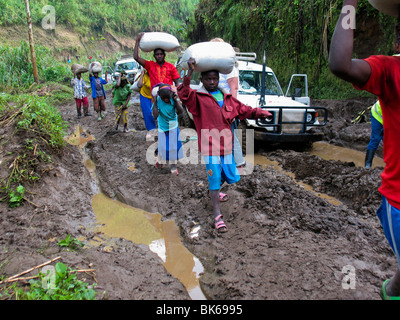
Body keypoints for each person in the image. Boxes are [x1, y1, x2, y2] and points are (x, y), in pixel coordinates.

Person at [329, 0, 400, 300]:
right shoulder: (390, 70)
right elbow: (341, 64)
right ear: (398, 40)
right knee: (372, 142)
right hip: (399, 200)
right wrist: (349, 4)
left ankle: (390, 289)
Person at [177, 58, 272, 233]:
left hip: (226, 145)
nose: (211, 82)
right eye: (207, 79)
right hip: (210, 146)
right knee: (214, 179)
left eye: (214, 78)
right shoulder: (197, 98)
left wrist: (260, 113)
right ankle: (217, 215)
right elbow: (183, 93)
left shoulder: (227, 98)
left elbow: (244, 110)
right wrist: (189, 72)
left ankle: (215, 190)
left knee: (231, 176)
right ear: (203, 80)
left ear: (218, 78)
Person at [210, 38, 245, 169]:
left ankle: (239, 163)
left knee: (230, 135)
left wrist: (230, 109)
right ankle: (224, 163)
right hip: (215, 107)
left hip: (226, 107)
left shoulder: (229, 68)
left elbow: (234, 89)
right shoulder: (215, 66)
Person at [152, 84, 184, 175]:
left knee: (173, 148)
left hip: (173, 126)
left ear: (171, 94)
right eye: (163, 98)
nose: (166, 99)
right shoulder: (158, 100)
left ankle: (173, 166)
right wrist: (154, 102)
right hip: (162, 128)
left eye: (167, 97)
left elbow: (180, 111)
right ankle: (160, 157)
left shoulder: (173, 99)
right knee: (163, 147)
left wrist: (176, 100)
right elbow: (155, 115)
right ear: (159, 96)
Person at [137, 69, 157, 139]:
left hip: (154, 95)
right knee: (148, 113)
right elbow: (139, 85)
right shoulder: (145, 76)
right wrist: (142, 74)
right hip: (145, 96)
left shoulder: (156, 75)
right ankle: (151, 130)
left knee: (157, 112)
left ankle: (160, 129)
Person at [365, 100, 383, 168]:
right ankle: (367, 165)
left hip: (388, 116)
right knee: (376, 138)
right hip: (377, 114)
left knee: (389, 142)